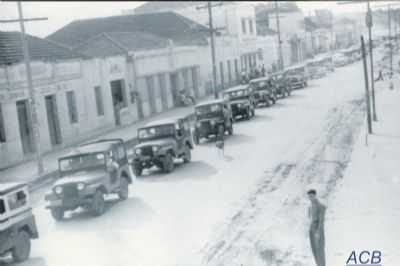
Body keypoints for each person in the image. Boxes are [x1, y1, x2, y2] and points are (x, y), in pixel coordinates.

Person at [307, 189, 326, 266]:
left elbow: (321, 220)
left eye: (312, 196)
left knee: (320, 250)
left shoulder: (321, 206)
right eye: (309, 196)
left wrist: (318, 231)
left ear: (315, 196)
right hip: (311, 229)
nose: (310, 198)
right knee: (314, 249)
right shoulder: (310, 206)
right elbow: (309, 217)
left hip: (318, 229)